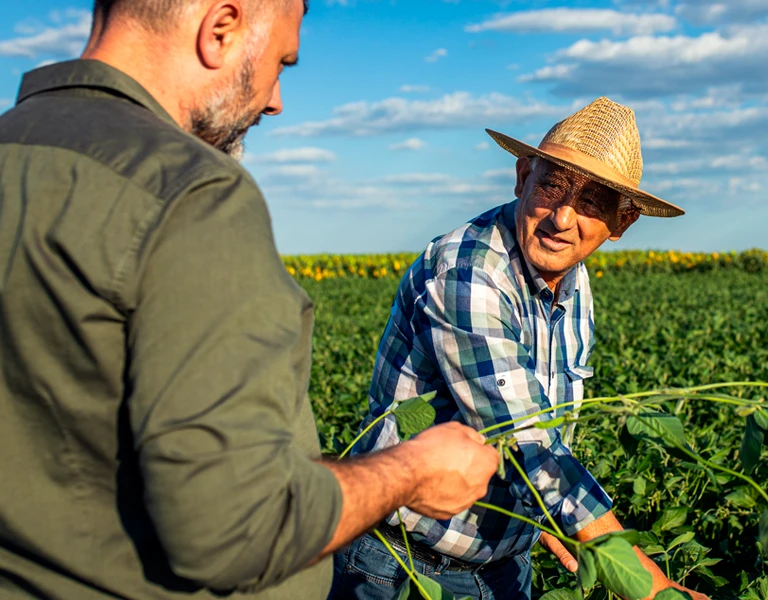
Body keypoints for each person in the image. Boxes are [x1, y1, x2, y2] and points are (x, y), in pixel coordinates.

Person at [0, 1, 499, 598]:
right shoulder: (191, 193)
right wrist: (411, 473)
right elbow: (236, 527)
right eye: (280, 62)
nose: (275, 100)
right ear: (221, 28)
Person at [330, 97, 709, 600]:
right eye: (552, 184)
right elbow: (530, 441)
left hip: (507, 568)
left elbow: (543, 430)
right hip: (403, 566)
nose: (563, 217)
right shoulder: (468, 273)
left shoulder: (572, 280)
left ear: (622, 223)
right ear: (522, 176)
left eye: (594, 201)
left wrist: (565, 526)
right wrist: (653, 588)